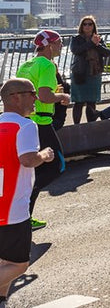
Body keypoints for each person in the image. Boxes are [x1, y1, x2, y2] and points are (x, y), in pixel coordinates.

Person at [0, 78, 56, 308]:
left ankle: (2, 299)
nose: (35, 98)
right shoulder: (25, 126)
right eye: (31, 93)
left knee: (3, 260)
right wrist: (45, 155)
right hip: (13, 209)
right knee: (19, 264)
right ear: (16, 97)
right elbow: (28, 159)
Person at [16, 30, 70, 231]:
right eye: (59, 42)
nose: (61, 46)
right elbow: (45, 95)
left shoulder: (26, 65)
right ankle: (21, 205)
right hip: (42, 122)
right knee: (57, 166)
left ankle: (23, 216)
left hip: (24, 121)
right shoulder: (47, 65)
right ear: (49, 45)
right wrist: (62, 98)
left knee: (33, 168)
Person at [68, 15, 110, 124]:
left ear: (93, 26)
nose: (87, 26)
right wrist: (91, 43)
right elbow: (76, 50)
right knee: (79, 102)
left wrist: (96, 44)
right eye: (85, 24)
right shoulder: (76, 39)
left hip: (94, 73)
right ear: (81, 26)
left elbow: (107, 53)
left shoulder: (98, 39)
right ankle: (76, 125)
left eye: (90, 24)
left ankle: (90, 125)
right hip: (80, 73)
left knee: (92, 101)